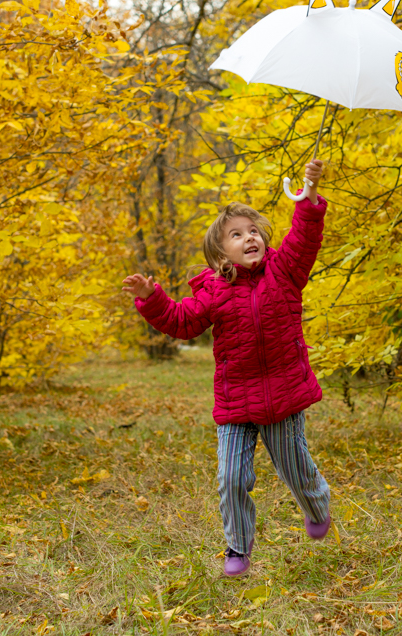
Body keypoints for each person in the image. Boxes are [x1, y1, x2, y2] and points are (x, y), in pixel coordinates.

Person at [122, 159, 330, 577]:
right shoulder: (215, 291)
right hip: (236, 401)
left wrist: (308, 198)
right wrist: (152, 299)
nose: (248, 237)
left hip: (284, 397)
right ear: (220, 253)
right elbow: (182, 321)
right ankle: (237, 548)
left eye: (253, 231)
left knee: (296, 468)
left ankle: (316, 502)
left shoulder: (285, 271)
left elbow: (305, 239)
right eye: (236, 235)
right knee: (232, 477)